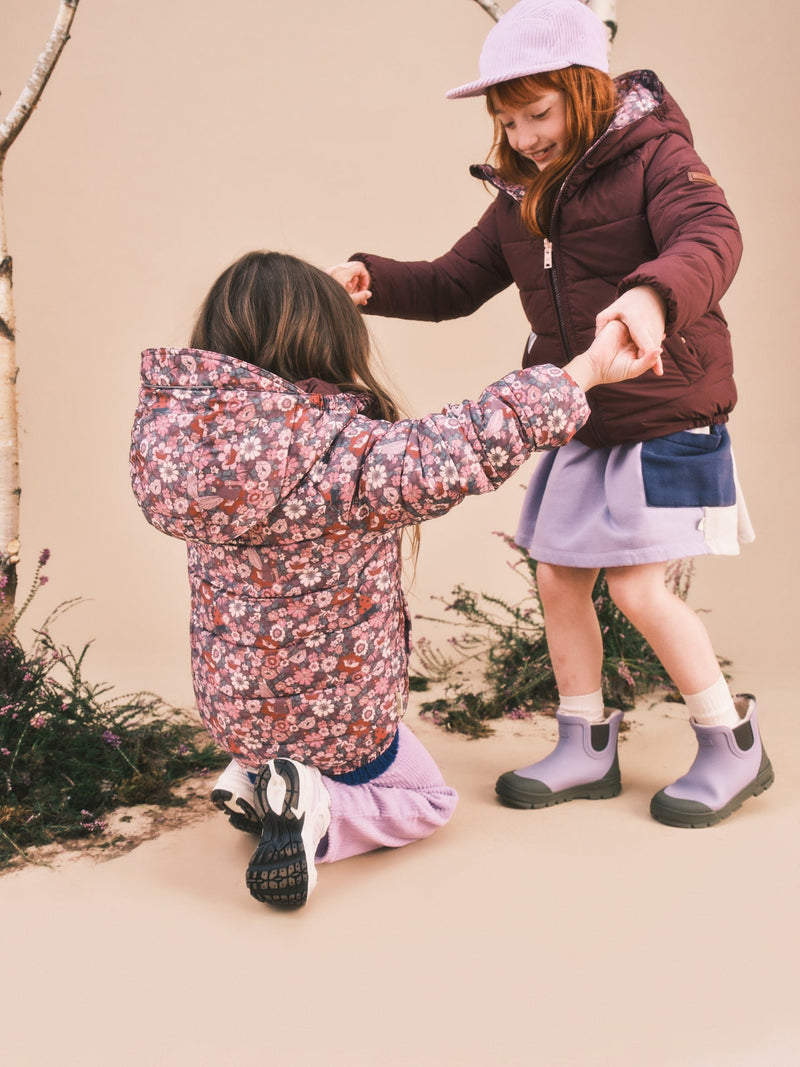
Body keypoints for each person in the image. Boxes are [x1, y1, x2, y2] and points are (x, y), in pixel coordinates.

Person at [328, 0, 772, 829]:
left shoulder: (657, 157)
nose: (526, 135)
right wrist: (372, 279)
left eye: (539, 112)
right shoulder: (522, 195)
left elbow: (712, 234)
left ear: (587, 89)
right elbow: (453, 283)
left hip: (668, 406)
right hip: (583, 414)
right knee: (559, 577)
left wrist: (652, 295)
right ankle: (584, 742)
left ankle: (730, 741)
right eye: (508, 119)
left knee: (639, 587)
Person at [129, 249, 658, 909]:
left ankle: (253, 776)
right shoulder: (336, 451)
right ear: (325, 339)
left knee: (282, 735)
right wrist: (584, 372)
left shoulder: (183, 446)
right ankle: (315, 801)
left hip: (233, 708)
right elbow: (453, 446)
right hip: (342, 722)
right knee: (428, 798)